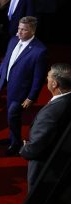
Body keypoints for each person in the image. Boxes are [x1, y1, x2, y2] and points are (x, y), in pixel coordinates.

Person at [0, 16, 47, 156]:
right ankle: (12, 139)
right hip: (9, 86)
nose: (19, 32)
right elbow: (6, 61)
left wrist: (31, 97)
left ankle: (15, 144)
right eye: (19, 28)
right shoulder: (13, 40)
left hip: (22, 92)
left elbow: (38, 78)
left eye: (23, 30)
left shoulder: (40, 51)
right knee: (11, 116)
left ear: (33, 31)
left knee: (12, 115)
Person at [20, 63, 71, 191]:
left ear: (54, 84)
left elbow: (37, 147)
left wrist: (25, 149)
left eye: (48, 76)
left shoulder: (50, 113)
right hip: (62, 160)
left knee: (36, 195)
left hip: (44, 165)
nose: (46, 79)